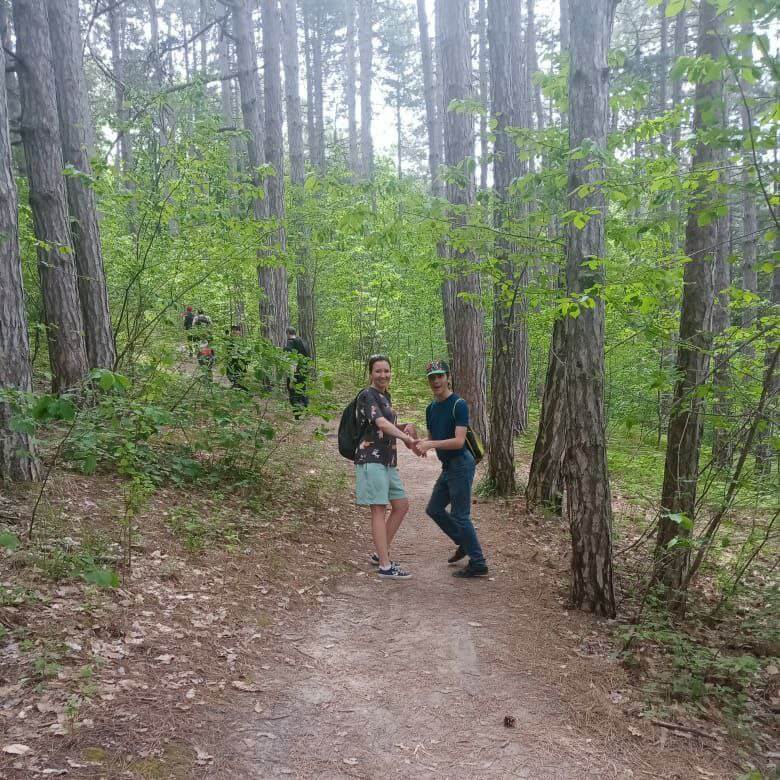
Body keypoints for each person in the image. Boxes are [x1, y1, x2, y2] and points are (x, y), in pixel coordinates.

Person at [415, 360, 489, 578]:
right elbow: (432, 437)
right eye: (432, 377)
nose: (436, 381)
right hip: (448, 466)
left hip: (461, 463)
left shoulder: (459, 404)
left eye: (440, 376)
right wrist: (421, 442)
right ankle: (464, 542)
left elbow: (458, 441)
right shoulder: (430, 408)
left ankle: (478, 563)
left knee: (460, 515)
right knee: (434, 509)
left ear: (448, 377)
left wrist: (431, 444)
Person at [355, 355, 417, 580]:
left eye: (386, 371)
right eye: (378, 371)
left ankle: (379, 553)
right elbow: (380, 423)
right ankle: (385, 565)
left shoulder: (384, 396)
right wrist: (406, 438)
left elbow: (387, 425)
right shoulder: (367, 395)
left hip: (387, 461)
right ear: (371, 373)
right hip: (371, 459)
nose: (383, 375)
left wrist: (405, 427)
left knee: (401, 505)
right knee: (379, 509)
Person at [284, 326, 311, 418]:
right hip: (304, 371)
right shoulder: (304, 342)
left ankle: (297, 415)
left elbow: (292, 362)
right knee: (302, 390)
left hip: (295, 372)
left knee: (293, 392)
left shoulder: (290, 343)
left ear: (287, 333)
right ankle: (306, 409)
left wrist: (291, 378)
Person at [225, 325, 249, 390]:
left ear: (239, 332)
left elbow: (246, 351)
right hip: (231, 360)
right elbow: (227, 349)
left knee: (239, 374)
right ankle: (236, 385)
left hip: (240, 361)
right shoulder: (229, 340)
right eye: (233, 331)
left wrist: (246, 360)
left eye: (236, 331)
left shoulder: (242, 341)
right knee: (229, 373)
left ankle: (240, 386)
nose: (234, 333)